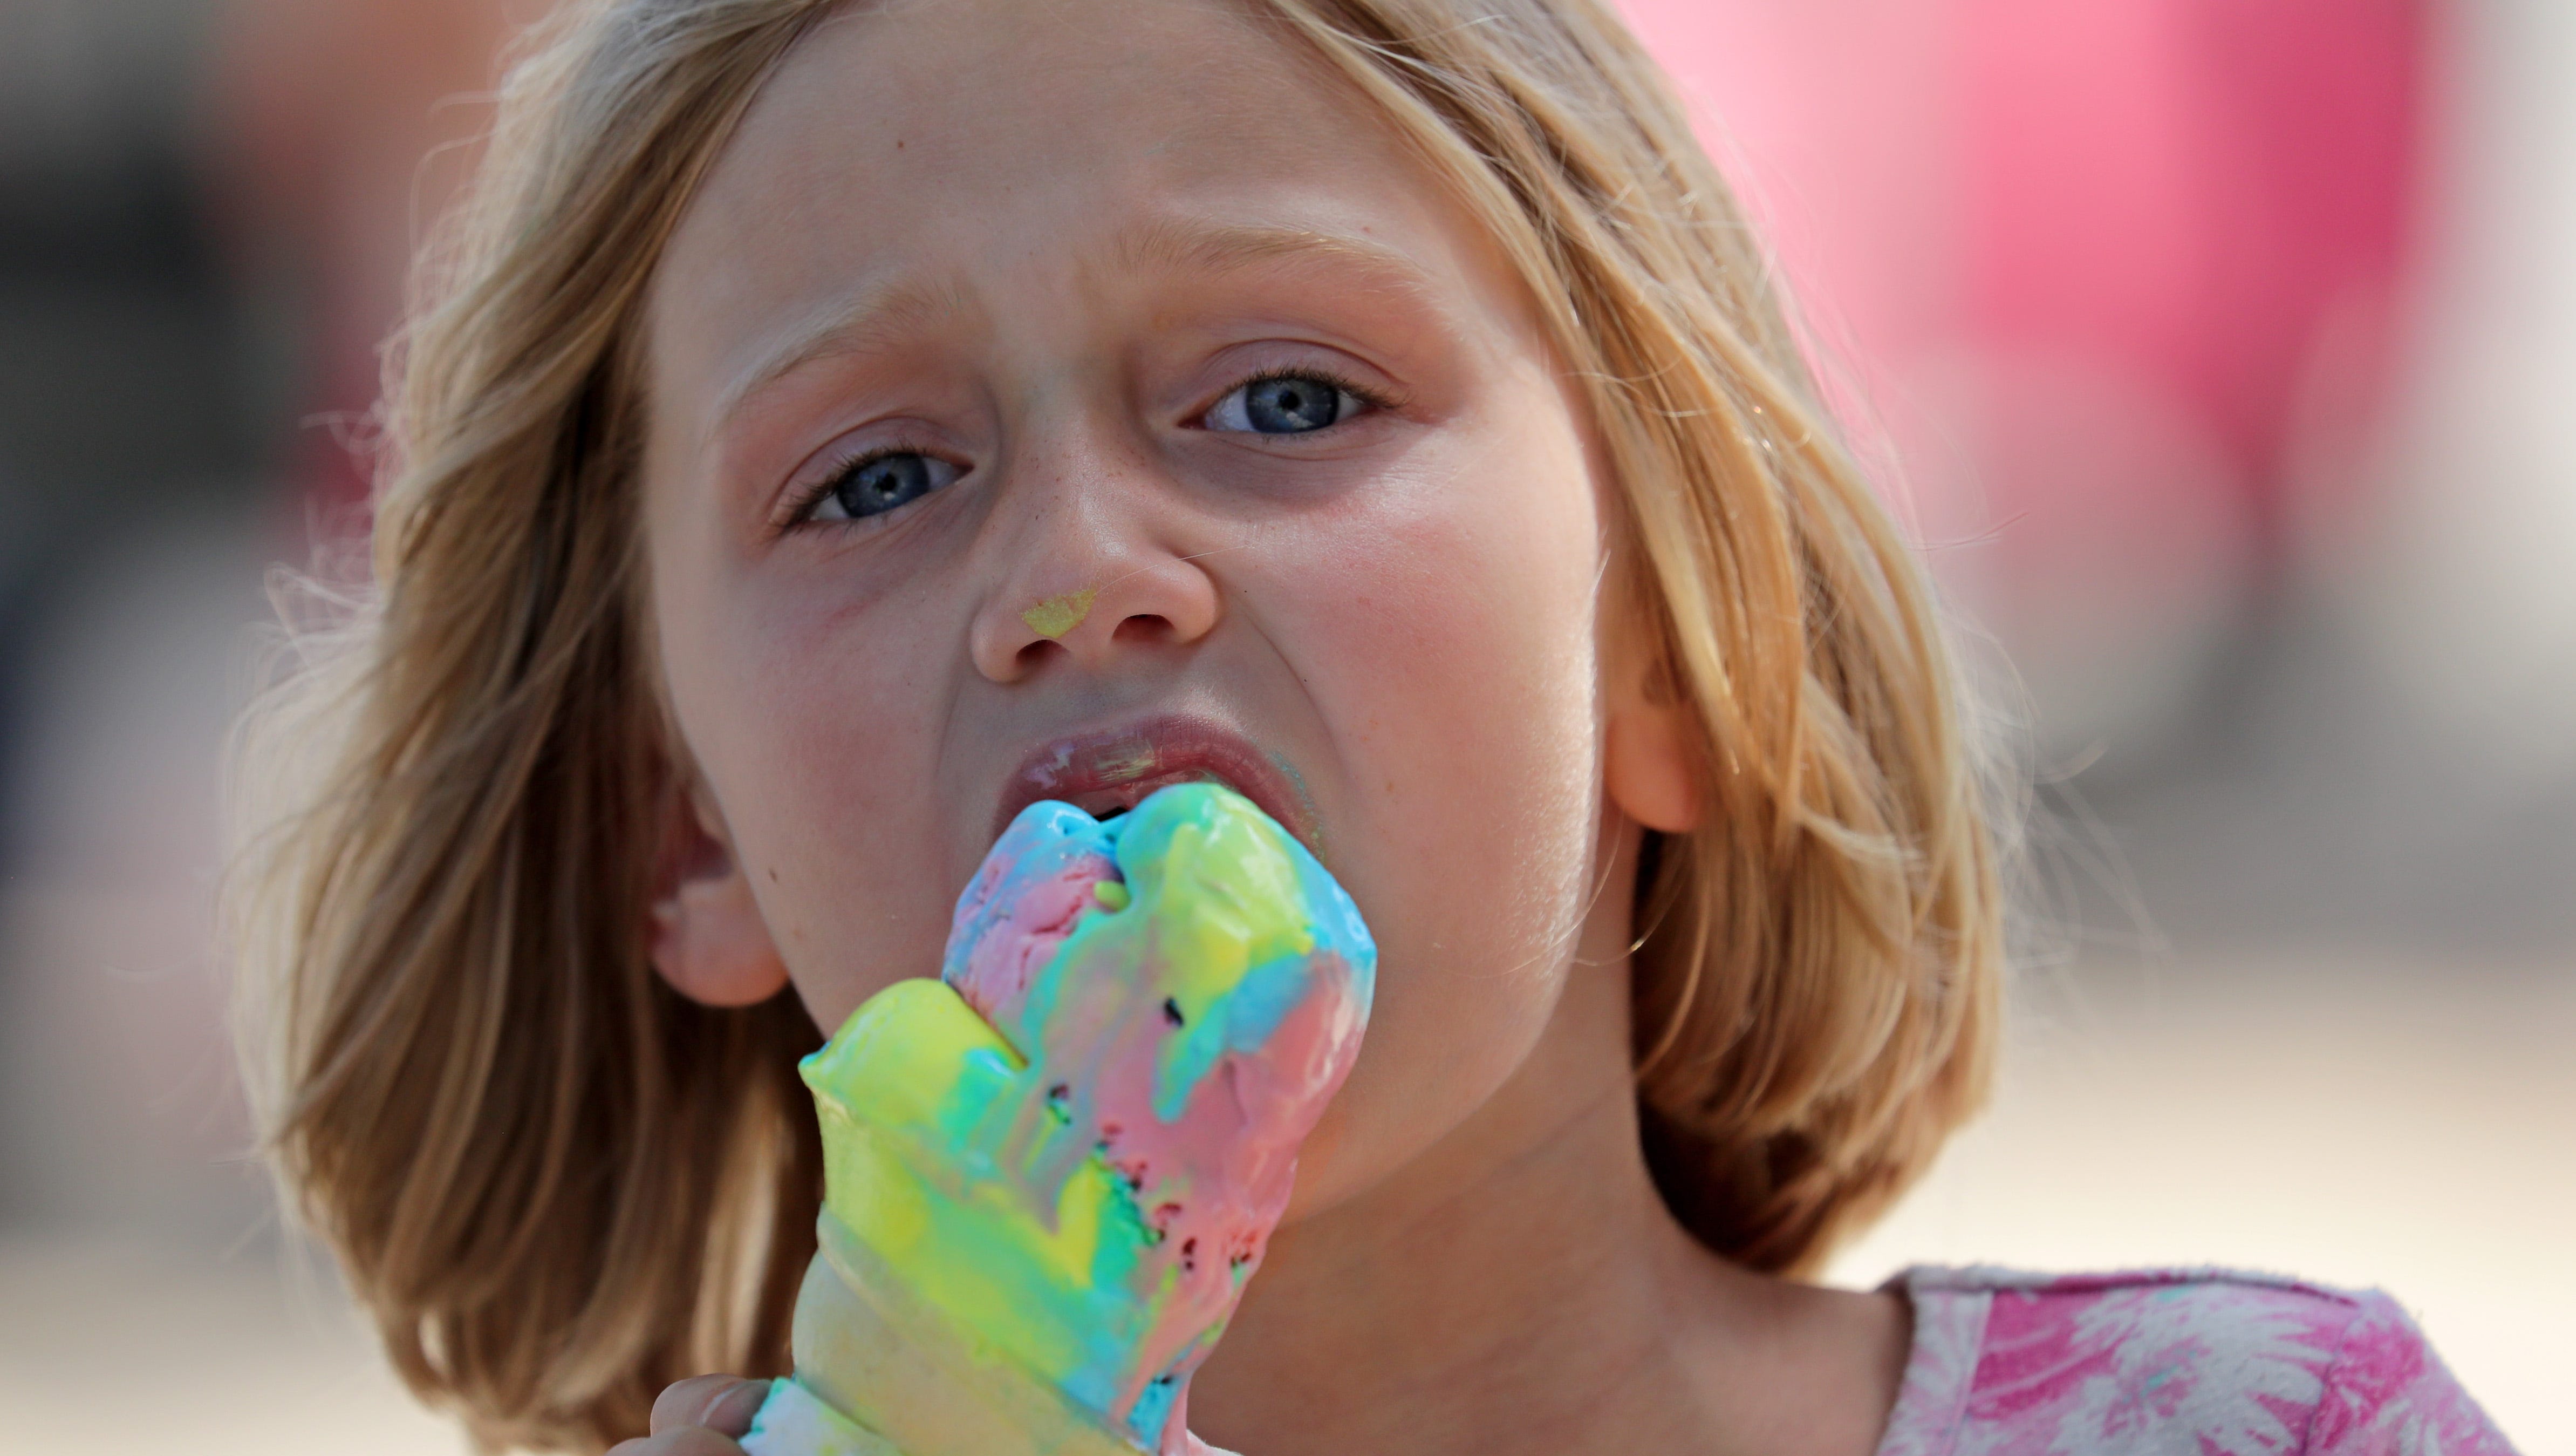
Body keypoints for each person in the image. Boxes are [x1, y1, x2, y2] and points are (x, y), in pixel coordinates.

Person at [224, 2, 2516, 1453]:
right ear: (682, 828)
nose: (1082, 566)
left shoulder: (2269, 1435)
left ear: (1668, 651)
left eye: (1290, 396)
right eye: (878, 477)